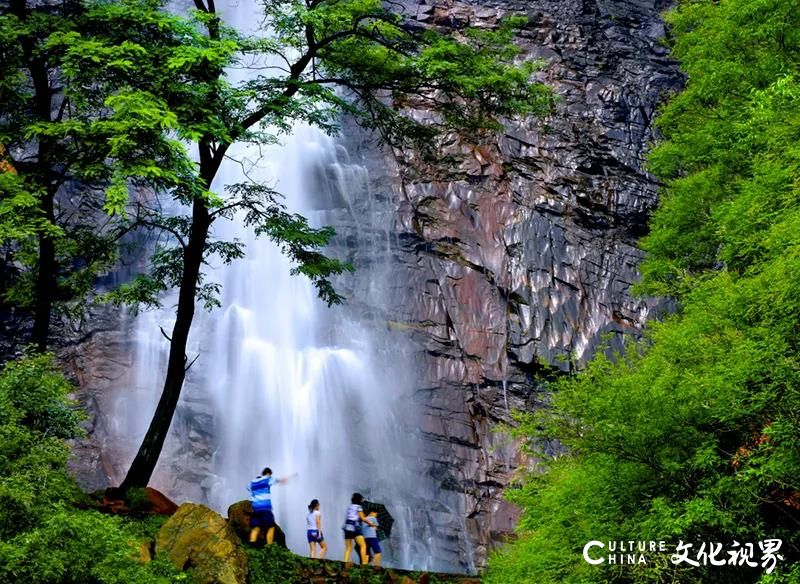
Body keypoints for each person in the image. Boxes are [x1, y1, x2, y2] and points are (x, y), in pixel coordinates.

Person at [248, 467, 294, 545]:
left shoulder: (253, 482)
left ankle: (251, 545)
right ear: (269, 474)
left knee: (256, 527)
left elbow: (248, 488)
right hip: (265, 508)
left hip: (255, 508)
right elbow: (280, 480)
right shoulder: (268, 479)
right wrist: (289, 478)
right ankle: (270, 547)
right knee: (271, 527)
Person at [342, 492, 376, 564]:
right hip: (354, 528)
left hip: (347, 528)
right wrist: (371, 524)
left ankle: (344, 563)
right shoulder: (358, 507)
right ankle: (364, 563)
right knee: (363, 545)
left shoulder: (349, 507)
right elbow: (363, 518)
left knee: (348, 547)